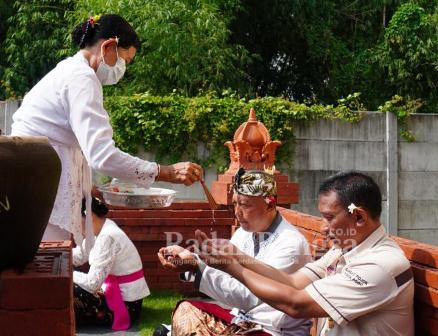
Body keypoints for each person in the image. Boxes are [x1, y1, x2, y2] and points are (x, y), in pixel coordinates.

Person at [11, 14, 203, 246]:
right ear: (109, 46)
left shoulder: (70, 71)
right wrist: (166, 172)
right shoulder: (81, 78)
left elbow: (65, 145)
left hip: (32, 185)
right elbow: (101, 156)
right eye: (126, 60)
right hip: (38, 190)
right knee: (45, 272)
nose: (123, 68)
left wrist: (91, 189)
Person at [195, 171, 415, 336]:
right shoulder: (344, 249)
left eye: (329, 218)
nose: (323, 227)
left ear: (358, 217)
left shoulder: (380, 265)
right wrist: (235, 257)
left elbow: (296, 304)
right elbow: (292, 282)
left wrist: (230, 266)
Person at [157, 168, 312, 336]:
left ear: (270, 204)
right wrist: (190, 260)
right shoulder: (244, 232)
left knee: (182, 323)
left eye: (245, 204)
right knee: (185, 310)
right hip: (243, 321)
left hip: (273, 330)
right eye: (235, 203)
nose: (237, 212)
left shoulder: (290, 244)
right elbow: (224, 272)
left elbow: (247, 297)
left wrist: (196, 268)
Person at [73, 196, 149, 331]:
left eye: (76, 219)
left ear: (90, 216)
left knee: (69, 287)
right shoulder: (101, 229)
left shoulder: (107, 236)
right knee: (69, 285)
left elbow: (92, 283)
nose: (74, 224)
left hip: (126, 304)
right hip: (116, 293)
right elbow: (79, 256)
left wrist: (69, 275)